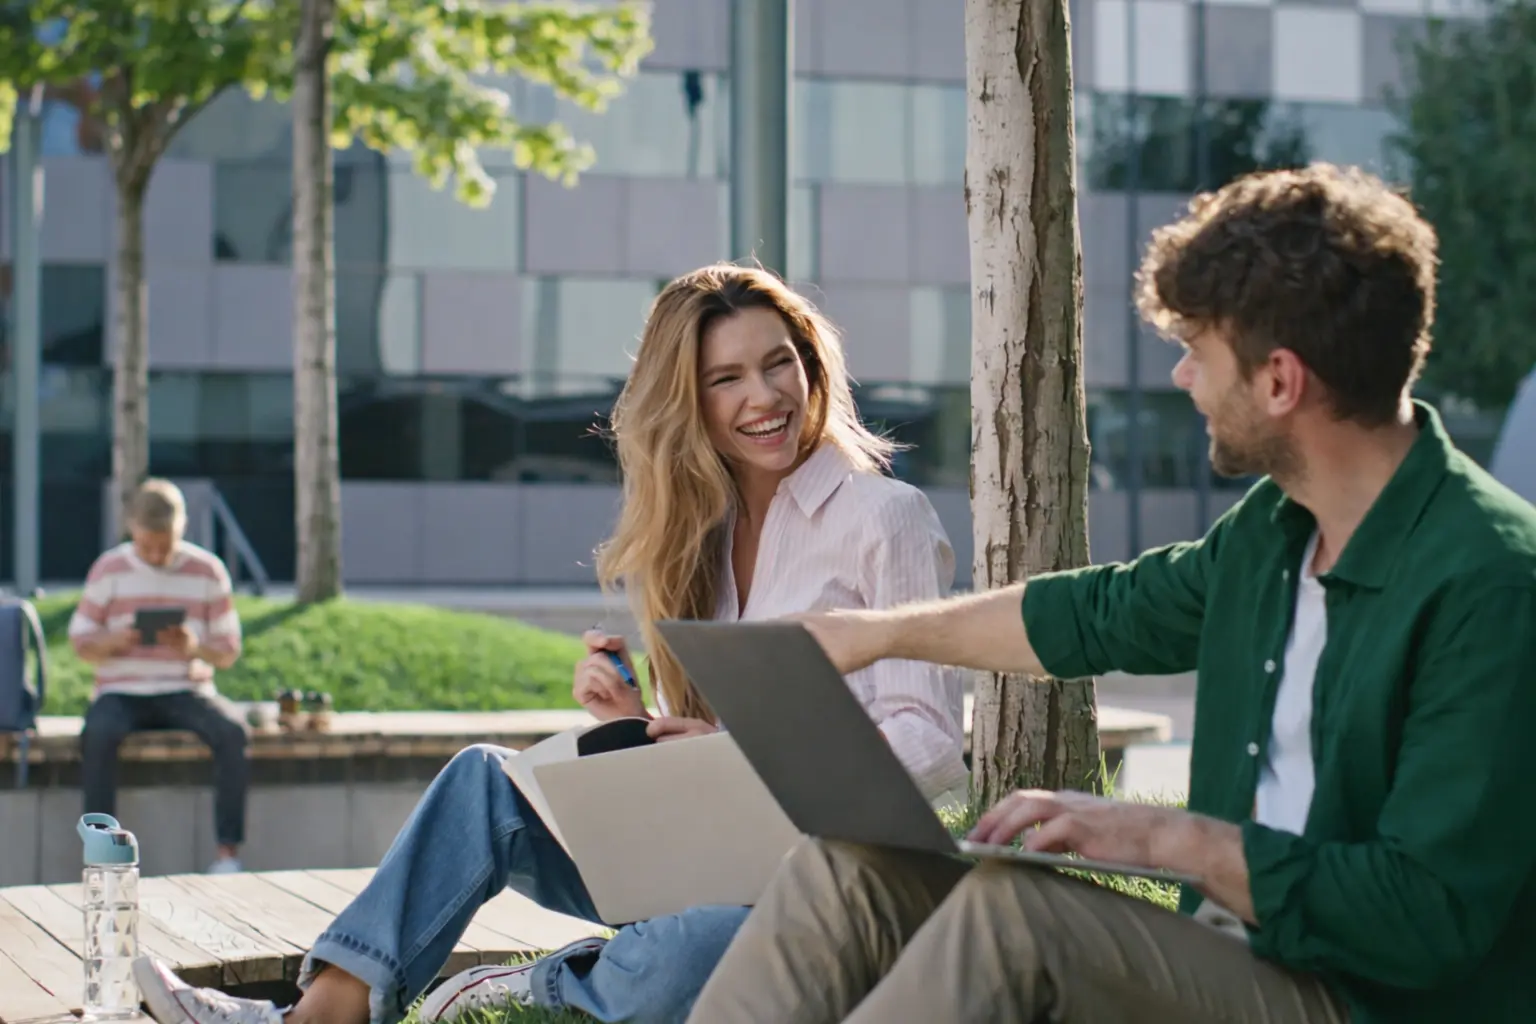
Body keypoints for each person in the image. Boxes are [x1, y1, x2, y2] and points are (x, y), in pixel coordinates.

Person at [683, 164, 1536, 1024]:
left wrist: (1166, 838)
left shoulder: (1490, 583)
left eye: (1197, 354)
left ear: (1280, 381)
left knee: (1013, 918)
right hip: (1241, 959)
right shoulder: (1276, 531)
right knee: (848, 871)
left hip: (1365, 1001)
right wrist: (873, 634)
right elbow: (1096, 613)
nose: (1182, 381)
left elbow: (1426, 918)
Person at [130, 263, 970, 1024]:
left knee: (692, 955)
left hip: (829, 887)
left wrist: (754, 758)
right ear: (688, 401)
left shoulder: (881, 519)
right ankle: (317, 1016)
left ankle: (518, 988)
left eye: (779, 362)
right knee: (483, 784)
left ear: (812, 366)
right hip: (714, 857)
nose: (765, 395)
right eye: (728, 378)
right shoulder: (700, 540)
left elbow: (931, 745)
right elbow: (708, 747)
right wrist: (635, 721)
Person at [69, 478, 248, 875]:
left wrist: (194, 646)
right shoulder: (109, 568)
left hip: (186, 688)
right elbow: (80, 642)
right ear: (132, 529)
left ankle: (227, 855)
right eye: (146, 545)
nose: (154, 554)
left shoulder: (207, 571)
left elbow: (229, 650)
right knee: (97, 734)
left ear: (181, 529)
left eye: (163, 545)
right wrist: (113, 640)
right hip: (121, 691)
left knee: (232, 732)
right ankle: (101, 855)